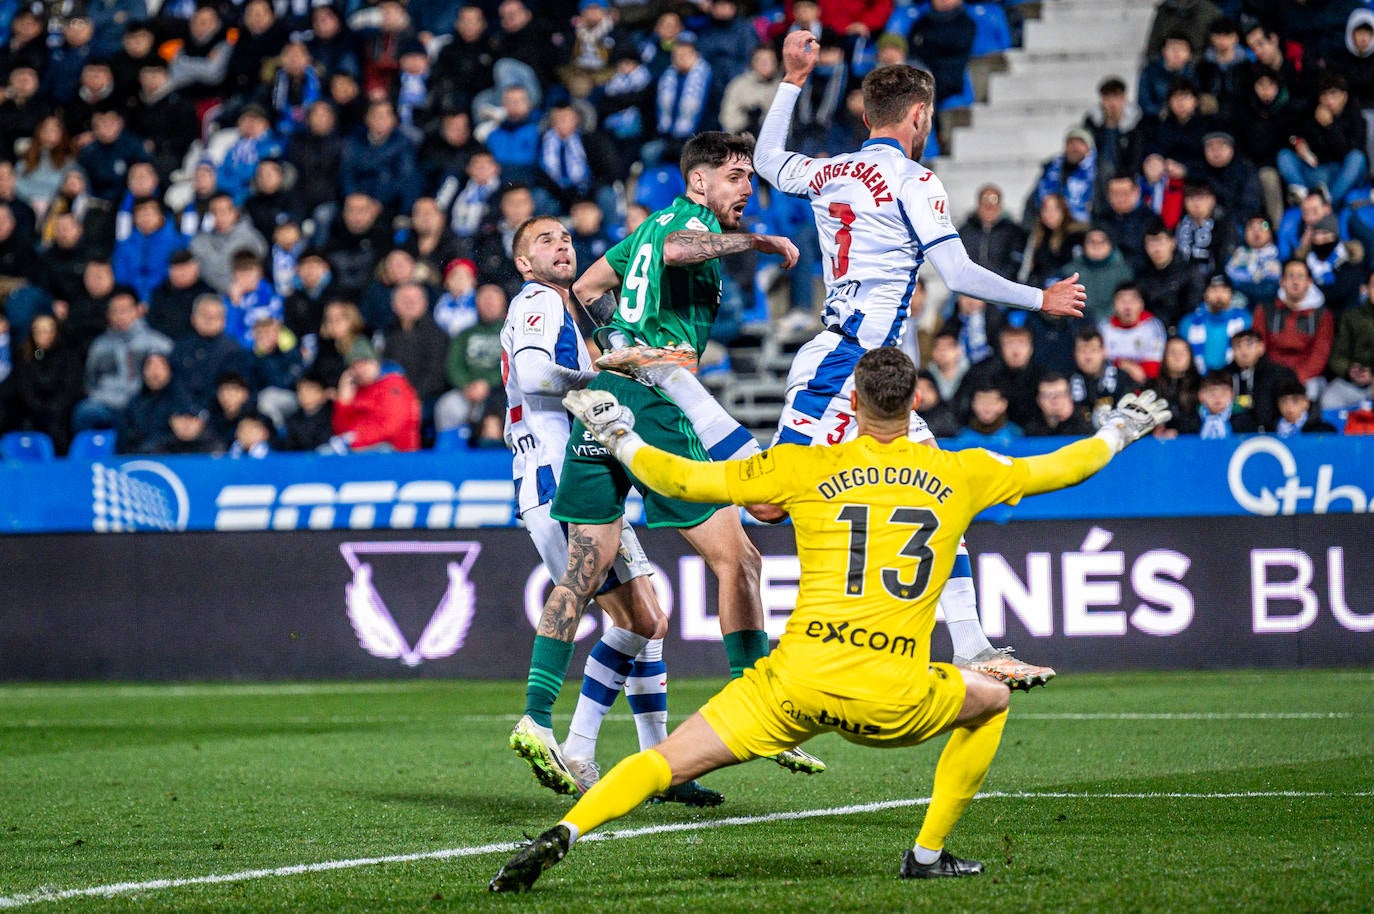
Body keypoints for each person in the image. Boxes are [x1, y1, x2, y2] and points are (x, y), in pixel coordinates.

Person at [488, 348, 1171, 892]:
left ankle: (567, 833)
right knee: (989, 700)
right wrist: (1121, 429)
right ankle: (927, 854)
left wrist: (619, 435)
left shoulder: (805, 468)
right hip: (890, 696)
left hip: (791, 684)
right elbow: (1062, 467)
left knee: (663, 762)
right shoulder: (965, 472)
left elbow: (683, 482)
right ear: (917, 402)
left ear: (852, 403)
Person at [517, 130, 821, 791]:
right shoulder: (686, 223)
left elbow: (594, 283)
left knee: (583, 570)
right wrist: (759, 241)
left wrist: (615, 338)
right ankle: (755, 700)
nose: (747, 187)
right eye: (736, 176)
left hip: (606, 401)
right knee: (737, 557)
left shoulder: (645, 232)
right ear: (699, 182)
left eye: (751, 178)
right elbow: (686, 249)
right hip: (656, 404)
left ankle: (537, 719)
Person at [502, 215, 713, 802]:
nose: (561, 244)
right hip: (559, 478)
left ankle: (656, 764)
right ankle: (567, 739)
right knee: (641, 620)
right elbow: (534, 371)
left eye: (566, 237)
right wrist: (603, 369)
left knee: (648, 619)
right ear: (524, 263)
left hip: (576, 473)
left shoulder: (569, 311)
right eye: (544, 240)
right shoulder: (539, 299)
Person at [1254, 259, 1335, 401]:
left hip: (1306, 376)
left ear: (1309, 282)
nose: (1295, 282)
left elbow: (1320, 354)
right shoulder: (1264, 311)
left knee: (1311, 391)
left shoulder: (1322, 315)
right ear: (1282, 282)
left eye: (1300, 277)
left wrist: (1296, 377)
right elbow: (1259, 349)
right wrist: (1276, 376)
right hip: (1271, 373)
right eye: (1290, 276)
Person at [330, 338, 421, 452]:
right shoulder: (356, 391)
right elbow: (341, 432)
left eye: (364, 362)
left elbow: (391, 426)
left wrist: (353, 441)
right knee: (325, 454)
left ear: (375, 362)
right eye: (354, 365)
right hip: (361, 448)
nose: (360, 369)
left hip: (396, 452)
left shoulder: (394, 385)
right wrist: (343, 402)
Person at [1321, 270, 1374, 410]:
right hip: (1351, 383)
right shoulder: (1350, 317)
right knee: (1329, 401)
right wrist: (1350, 370)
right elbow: (1336, 356)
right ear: (1365, 289)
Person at [1226, 328, 1297, 432]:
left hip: (1273, 434)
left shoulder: (1280, 375)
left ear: (1261, 347)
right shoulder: (1225, 376)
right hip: (1233, 435)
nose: (1243, 350)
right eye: (1237, 346)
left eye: (1249, 344)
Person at [1180, 274, 1251, 373]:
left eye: (1224, 290)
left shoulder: (1245, 320)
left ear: (1231, 294)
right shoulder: (1188, 322)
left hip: (1234, 376)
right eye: (1214, 290)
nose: (1219, 295)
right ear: (1205, 294)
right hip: (1197, 379)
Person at [1024, 373, 1094, 437]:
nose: (1055, 401)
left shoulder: (1082, 426)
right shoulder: (1032, 430)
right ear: (1039, 400)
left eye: (1060, 394)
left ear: (1069, 397)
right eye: (1047, 395)